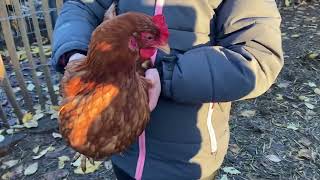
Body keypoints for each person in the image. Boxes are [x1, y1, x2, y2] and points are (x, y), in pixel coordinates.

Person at [51, 0, 284, 179]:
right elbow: (82, 5)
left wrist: (168, 76)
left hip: (189, 158)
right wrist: (76, 52)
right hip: (125, 154)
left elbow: (258, 57)